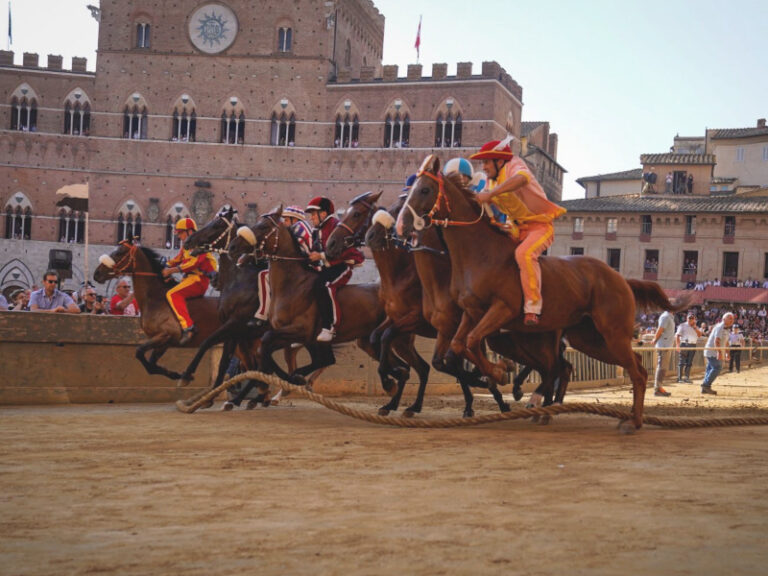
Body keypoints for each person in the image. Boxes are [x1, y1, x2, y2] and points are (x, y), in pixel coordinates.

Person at [470, 138, 567, 325]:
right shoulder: (490, 183)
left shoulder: (515, 164)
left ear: (499, 161)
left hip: (540, 227)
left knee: (524, 254)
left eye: (487, 162)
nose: (483, 167)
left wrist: (490, 195)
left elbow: (522, 179)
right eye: (482, 163)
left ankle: (532, 308)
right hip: (515, 228)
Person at [305, 196, 364, 342]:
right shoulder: (316, 231)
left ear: (323, 214)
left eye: (313, 214)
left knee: (325, 286)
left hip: (342, 265)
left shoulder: (335, 225)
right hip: (326, 267)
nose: (311, 218)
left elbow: (342, 251)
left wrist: (320, 256)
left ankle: (329, 327)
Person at [251, 205, 313, 326]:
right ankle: (266, 312)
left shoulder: (300, 227)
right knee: (265, 275)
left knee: (264, 275)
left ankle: (268, 313)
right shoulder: (294, 228)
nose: (284, 223)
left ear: (294, 219)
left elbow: (307, 252)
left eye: (286, 220)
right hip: (294, 267)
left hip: (306, 269)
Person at [162, 217, 218, 345]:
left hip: (199, 280)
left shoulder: (200, 244)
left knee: (172, 294)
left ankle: (188, 327)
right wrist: (163, 265)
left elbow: (194, 263)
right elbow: (176, 259)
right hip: (188, 278)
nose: (179, 236)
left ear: (190, 231)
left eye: (181, 232)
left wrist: (171, 271)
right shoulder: (186, 246)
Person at [701, 312, 735, 394]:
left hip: (714, 351)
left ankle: (705, 387)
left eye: (732, 319)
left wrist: (727, 352)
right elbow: (717, 340)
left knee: (710, 368)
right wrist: (719, 352)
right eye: (729, 318)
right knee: (717, 367)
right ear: (724, 319)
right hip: (712, 351)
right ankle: (706, 385)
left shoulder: (727, 329)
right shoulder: (720, 327)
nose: (731, 320)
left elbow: (726, 342)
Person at [650, 310, 675, 396]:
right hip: (664, 346)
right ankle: (657, 389)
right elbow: (660, 329)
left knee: (663, 367)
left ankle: (659, 387)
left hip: (666, 345)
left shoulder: (669, 317)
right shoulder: (666, 317)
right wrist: (654, 339)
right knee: (661, 367)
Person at [675, 313, 702, 383]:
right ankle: (679, 378)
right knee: (682, 362)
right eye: (689, 318)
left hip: (693, 344)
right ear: (687, 319)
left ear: (694, 320)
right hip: (684, 344)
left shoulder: (696, 327)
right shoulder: (682, 325)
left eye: (692, 318)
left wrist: (695, 328)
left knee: (689, 362)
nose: (690, 320)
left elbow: (699, 335)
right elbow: (677, 336)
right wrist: (677, 345)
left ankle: (687, 377)